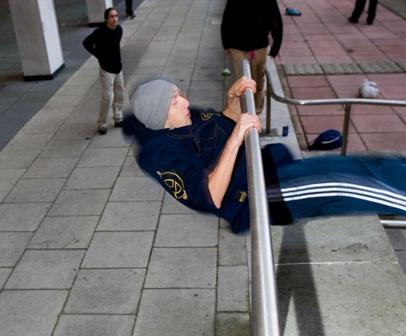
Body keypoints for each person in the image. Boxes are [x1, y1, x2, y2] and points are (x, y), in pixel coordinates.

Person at [123, 76, 406, 234]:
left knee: (353, 165)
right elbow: (210, 194)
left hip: (267, 168)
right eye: (175, 100)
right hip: (260, 194)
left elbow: (222, 125)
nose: (185, 101)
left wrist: (233, 100)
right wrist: (236, 139)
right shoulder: (161, 155)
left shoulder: (182, 117)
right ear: (159, 116)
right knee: (346, 185)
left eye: (180, 93)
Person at [221, 0, 283, 114]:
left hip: (259, 47)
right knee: (242, 84)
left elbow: (276, 22)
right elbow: (227, 19)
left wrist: (275, 48)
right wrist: (227, 43)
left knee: (258, 82)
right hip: (238, 48)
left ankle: (257, 111)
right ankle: (244, 112)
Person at [82, 7, 125, 134]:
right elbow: (86, 43)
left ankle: (118, 118)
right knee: (108, 97)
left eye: (116, 16)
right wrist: (99, 55)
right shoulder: (100, 32)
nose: (114, 19)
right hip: (106, 70)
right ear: (106, 19)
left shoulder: (119, 30)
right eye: (111, 16)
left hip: (118, 69)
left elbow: (115, 47)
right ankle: (102, 124)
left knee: (120, 94)